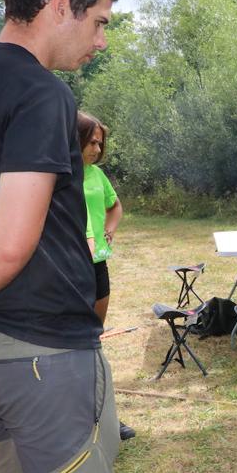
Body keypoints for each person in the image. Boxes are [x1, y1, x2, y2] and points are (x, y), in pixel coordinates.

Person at [0, 0, 120, 473]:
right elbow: (9, 245)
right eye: (99, 22)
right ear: (61, 4)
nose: (101, 41)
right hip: (40, 350)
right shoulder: (41, 92)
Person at [77, 111, 135, 442]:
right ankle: (80, 420)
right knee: (72, 346)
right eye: (92, 141)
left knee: (93, 342)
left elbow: (115, 207)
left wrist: (109, 230)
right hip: (70, 267)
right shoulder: (58, 175)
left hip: (97, 264)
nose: (97, 149)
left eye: (101, 143)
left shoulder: (97, 175)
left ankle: (104, 420)